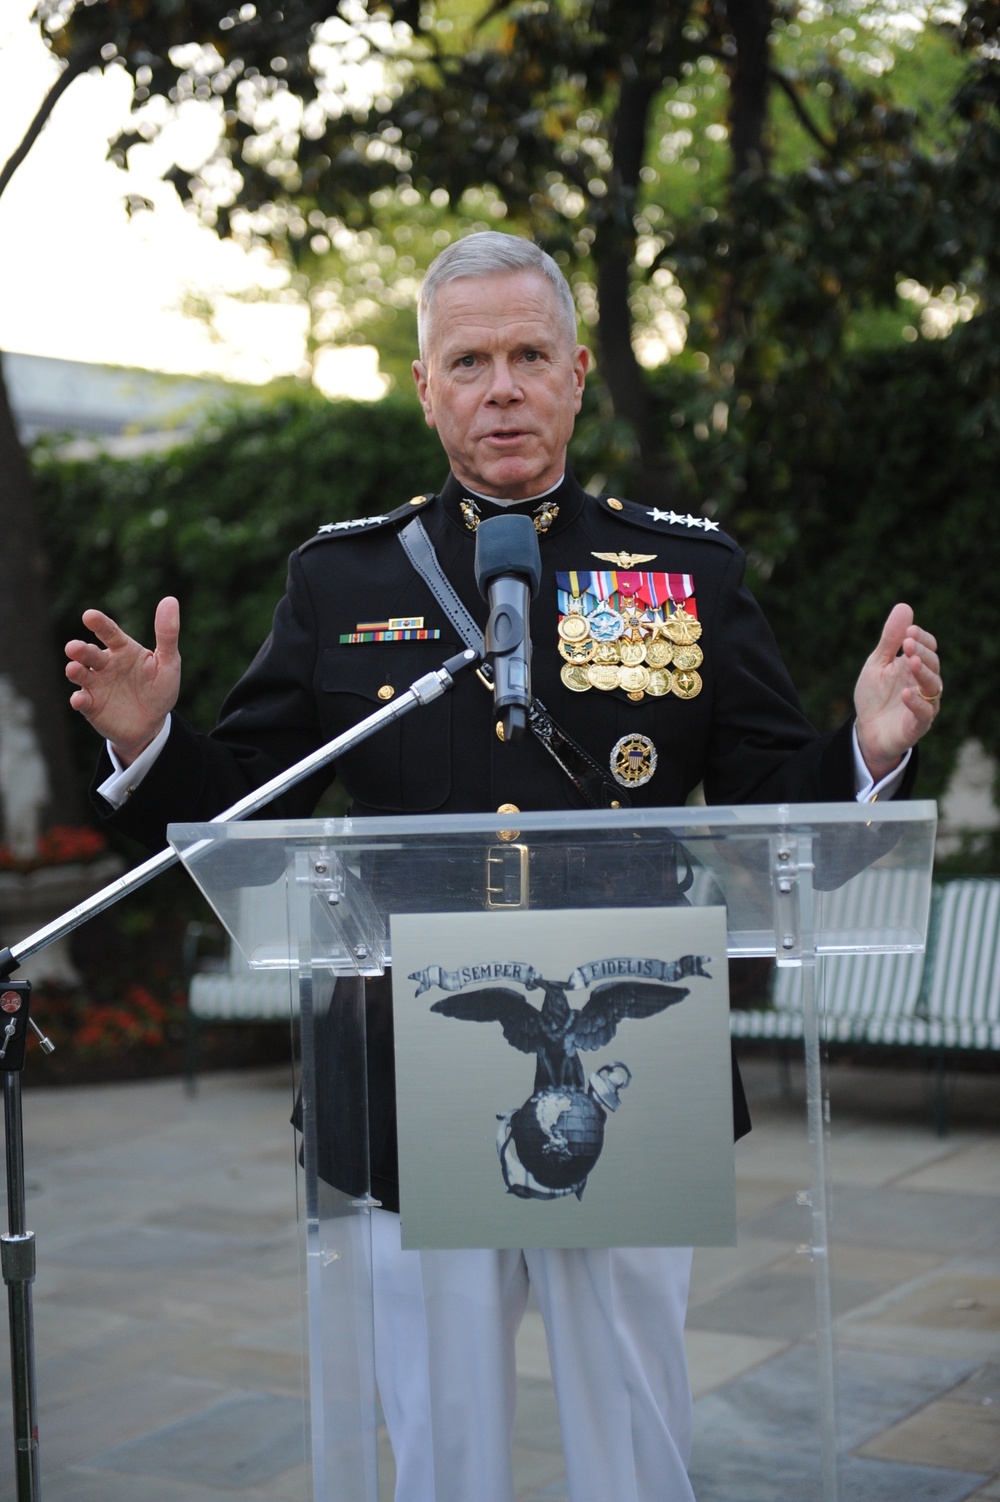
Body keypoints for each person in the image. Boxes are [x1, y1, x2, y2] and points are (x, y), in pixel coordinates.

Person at [65, 232, 942, 1502]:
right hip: (402, 1075)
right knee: (442, 1450)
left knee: (632, 1438)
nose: (502, 387)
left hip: (638, 1080)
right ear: (425, 386)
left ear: (579, 373)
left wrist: (863, 744)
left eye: (530, 355)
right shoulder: (341, 577)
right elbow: (248, 808)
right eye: (468, 360)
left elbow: (766, 798)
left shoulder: (684, 572)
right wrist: (152, 740)